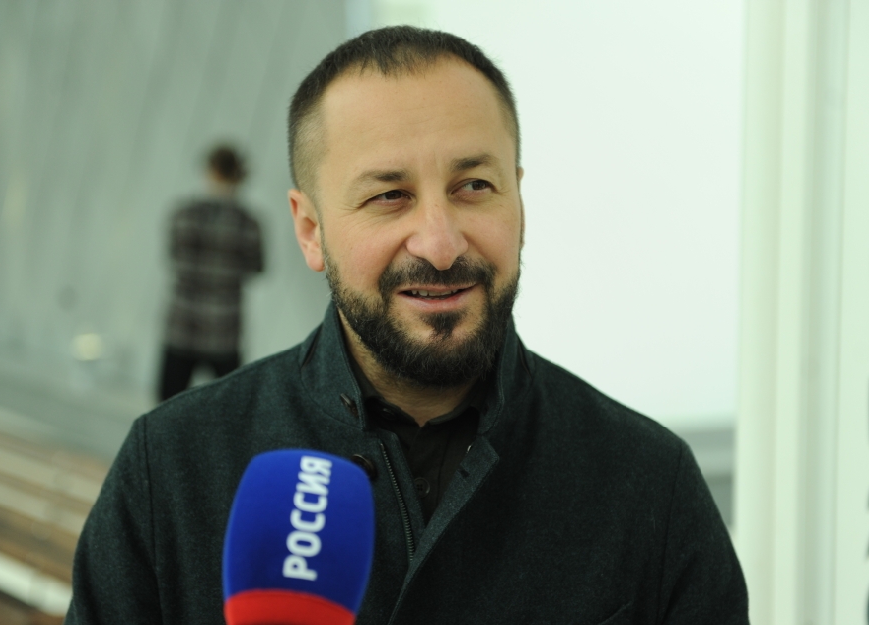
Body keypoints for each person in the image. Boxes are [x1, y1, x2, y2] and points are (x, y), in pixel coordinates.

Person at [68, 27, 748, 624]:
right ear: (310, 230)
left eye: (474, 187)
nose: (441, 244)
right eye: (389, 195)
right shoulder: (171, 470)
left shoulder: (649, 485)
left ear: (518, 199)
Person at [158, 145, 263, 401]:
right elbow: (258, 267)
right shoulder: (248, 223)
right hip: (225, 329)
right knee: (228, 409)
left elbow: (174, 258)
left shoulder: (184, 215)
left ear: (210, 170)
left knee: (168, 407)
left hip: (183, 324)